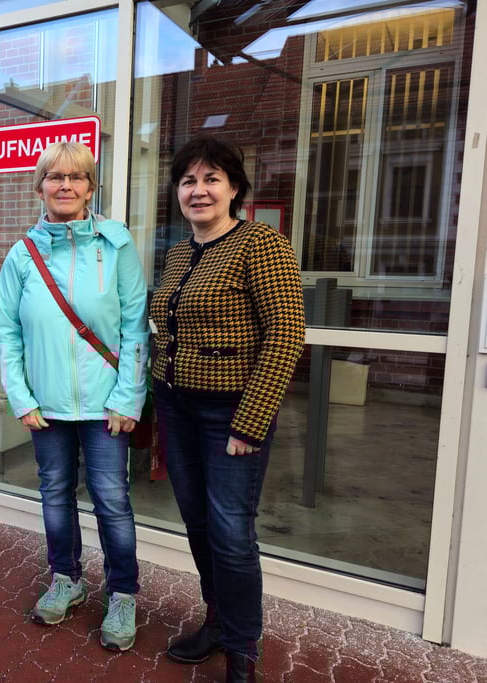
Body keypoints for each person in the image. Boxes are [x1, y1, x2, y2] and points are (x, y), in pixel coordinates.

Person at [152, 135, 305, 683]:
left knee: (231, 530)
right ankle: (217, 622)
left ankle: (242, 648)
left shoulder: (261, 244)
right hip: (177, 406)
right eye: (188, 180)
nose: (199, 190)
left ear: (234, 187)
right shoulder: (175, 254)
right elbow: (165, 331)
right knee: (197, 523)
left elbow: (287, 334)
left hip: (230, 413)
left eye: (212, 179)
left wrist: (250, 420)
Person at [0, 141, 148, 652]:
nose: (65, 186)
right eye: (54, 177)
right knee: (55, 496)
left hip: (107, 406)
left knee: (111, 501)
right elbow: (7, 333)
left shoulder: (116, 243)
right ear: (39, 186)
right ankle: (67, 578)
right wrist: (21, 398)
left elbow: (133, 327)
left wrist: (128, 398)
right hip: (47, 407)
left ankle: (123, 593)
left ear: (90, 187)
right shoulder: (22, 254)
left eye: (77, 177)